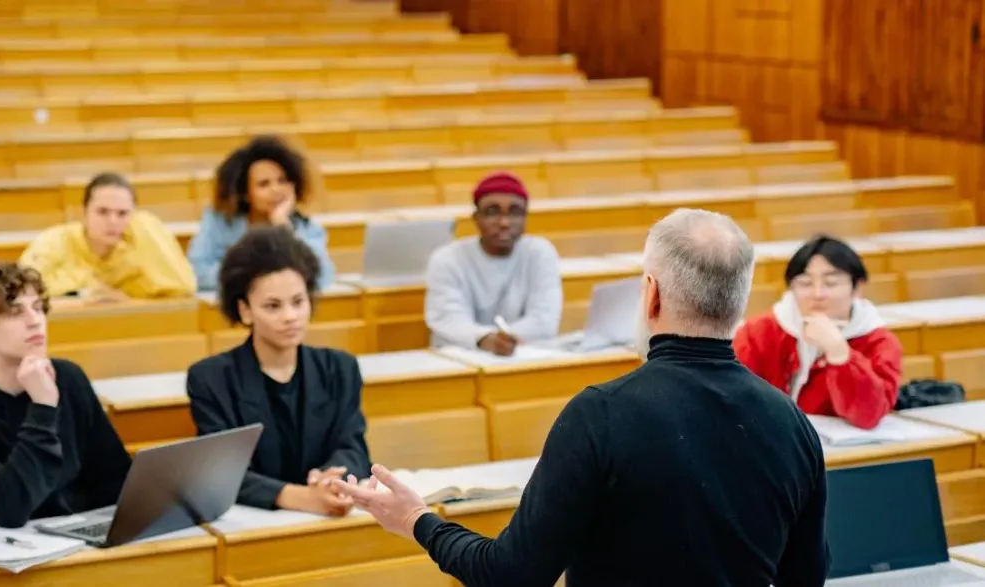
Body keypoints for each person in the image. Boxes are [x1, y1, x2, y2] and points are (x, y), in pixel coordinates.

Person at [334, 209, 830, 587]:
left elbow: (513, 575)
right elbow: (806, 576)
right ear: (738, 301)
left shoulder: (601, 414)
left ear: (650, 293)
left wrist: (417, 521)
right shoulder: (791, 421)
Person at [0, 263, 132, 530]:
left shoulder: (69, 378)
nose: (35, 321)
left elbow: (114, 478)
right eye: (15, 312)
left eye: (37, 308)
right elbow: (9, 507)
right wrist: (43, 407)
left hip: (75, 542)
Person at [186, 225, 370, 516]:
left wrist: (331, 479)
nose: (290, 317)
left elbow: (354, 448)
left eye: (298, 302)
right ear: (245, 310)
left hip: (326, 518)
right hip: (252, 524)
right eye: (273, 306)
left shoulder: (340, 368)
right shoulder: (210, 379)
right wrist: (303, 497)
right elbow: (222, 474)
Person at [733, 235, 902, 430]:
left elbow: (868, 416)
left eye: (831, 283)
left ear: (858, 287)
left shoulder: (879, 342)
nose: (818, 294)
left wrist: (840, 354)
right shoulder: (759, 332)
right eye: (805, 283)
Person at [424, 171, 562, 356]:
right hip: (462, 358)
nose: (504, 222)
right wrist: (485, 339)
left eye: (515, 212)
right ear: (476, 217)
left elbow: (544, 320)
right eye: (492, 212)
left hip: (524, 356)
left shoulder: (539, 253)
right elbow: (448, 319)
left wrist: (504, 340)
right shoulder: (447, 258)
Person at [187, 135, 335, 292]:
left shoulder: (305, 227)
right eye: (264, 184)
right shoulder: (219, 221)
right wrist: (259, 279)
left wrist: (283, 227)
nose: (276, 190)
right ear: (245, 193)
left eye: (282, 181)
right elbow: (197, 272)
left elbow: (321, 277)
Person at [18, 172, 196, 301]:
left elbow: (183, 288)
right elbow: (19, 295)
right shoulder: (53, 243)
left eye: (123, 214)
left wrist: (146, 223)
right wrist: (87, 296)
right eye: (102, 212)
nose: (113, 221)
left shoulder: (137, 248)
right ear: (83, 213)